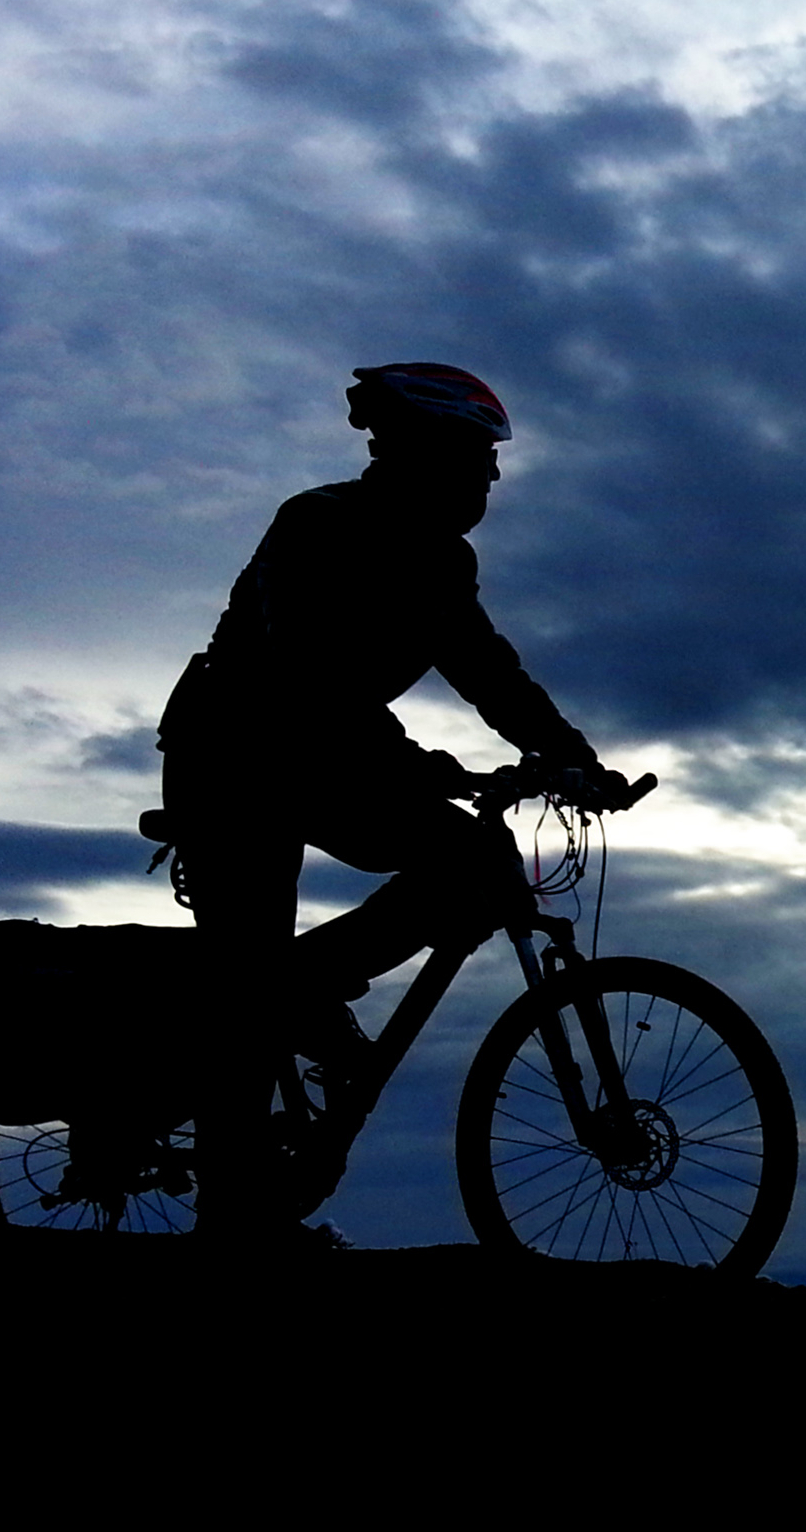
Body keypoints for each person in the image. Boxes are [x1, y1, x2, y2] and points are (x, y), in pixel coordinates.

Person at [154, 361, 621, 1232]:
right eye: (479, 452)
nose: (491, 473)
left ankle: (308, 988)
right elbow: (302, 676)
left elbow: (488, 669)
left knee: (476, 859)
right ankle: (233, 1213)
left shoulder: (443, 561)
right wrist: (423, 765)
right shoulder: (319, 524)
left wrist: (573, 759)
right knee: (251, 981)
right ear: (429, 449)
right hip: (232, 759)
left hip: (325, 756)